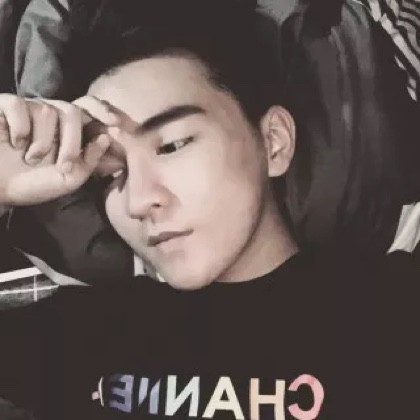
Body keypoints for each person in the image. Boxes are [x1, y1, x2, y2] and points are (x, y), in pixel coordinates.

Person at [0, 1, 417, 419]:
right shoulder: (90, 331)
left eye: (172, 145)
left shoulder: (389, 314)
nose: (138, 200)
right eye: (111, 175)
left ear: (273, 142)